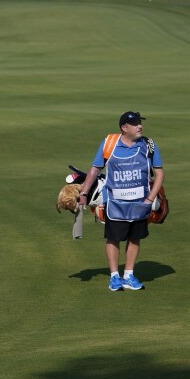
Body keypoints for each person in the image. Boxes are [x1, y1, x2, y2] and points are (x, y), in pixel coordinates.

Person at [76, 111, 164, 291]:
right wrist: (84, 193)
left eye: (140, 123)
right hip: (115, 203)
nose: (140, 126)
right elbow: (94, 170)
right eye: (135, 123)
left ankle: (129, 275)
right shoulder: (109, 144)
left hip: (140, 203)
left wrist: (149, 199)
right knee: (113, 238)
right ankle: (115, 277)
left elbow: (160, 174)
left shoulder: (149, 145)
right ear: (124, 128)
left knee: (135, 238)